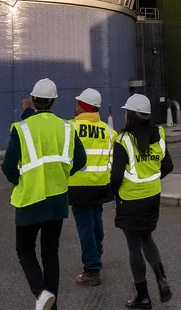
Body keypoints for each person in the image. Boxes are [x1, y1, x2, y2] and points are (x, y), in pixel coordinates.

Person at [2, 78, 88, 310]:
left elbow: (8, 167)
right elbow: (80, 159)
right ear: (53, 102)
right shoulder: (66, 127)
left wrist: (19, 180)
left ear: (33, 100)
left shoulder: (21, 129)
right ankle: (53, 305)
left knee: (25, 249)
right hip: (57, 198)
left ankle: (41, 293)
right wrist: (61, 173)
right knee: (51, 253)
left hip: (30, 198)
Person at [110, 93, 174, 309]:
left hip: (130, 201)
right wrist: (151, 180)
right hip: (152, 198)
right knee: (147, 238)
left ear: (130, 115)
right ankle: (162, 279)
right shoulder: (159, 134)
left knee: (134, 246)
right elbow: (168, 167)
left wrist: (110, 194)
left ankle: (143, 296)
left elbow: (116, 176)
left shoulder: (123, 140)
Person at [68, 88, 113, 286]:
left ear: (84, 106)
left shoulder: (70, 128)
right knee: (96, 219)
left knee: (85, 226)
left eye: (78, 103)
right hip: (101, 185)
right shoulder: (108, 131)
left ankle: (91, 270)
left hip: (78, 186)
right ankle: (97, 248)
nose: (75, 106)